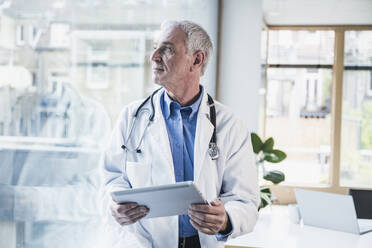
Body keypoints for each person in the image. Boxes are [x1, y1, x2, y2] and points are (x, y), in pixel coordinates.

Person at [100, 20, 259, 248]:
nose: (154, 56)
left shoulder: (229, 125)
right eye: (155, 47)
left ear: (197, 59)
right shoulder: (132, 117)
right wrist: (115, 204)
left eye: (167, 49)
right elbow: (112, 179)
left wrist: (225, 219)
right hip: (145, 242)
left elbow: (245, 200)